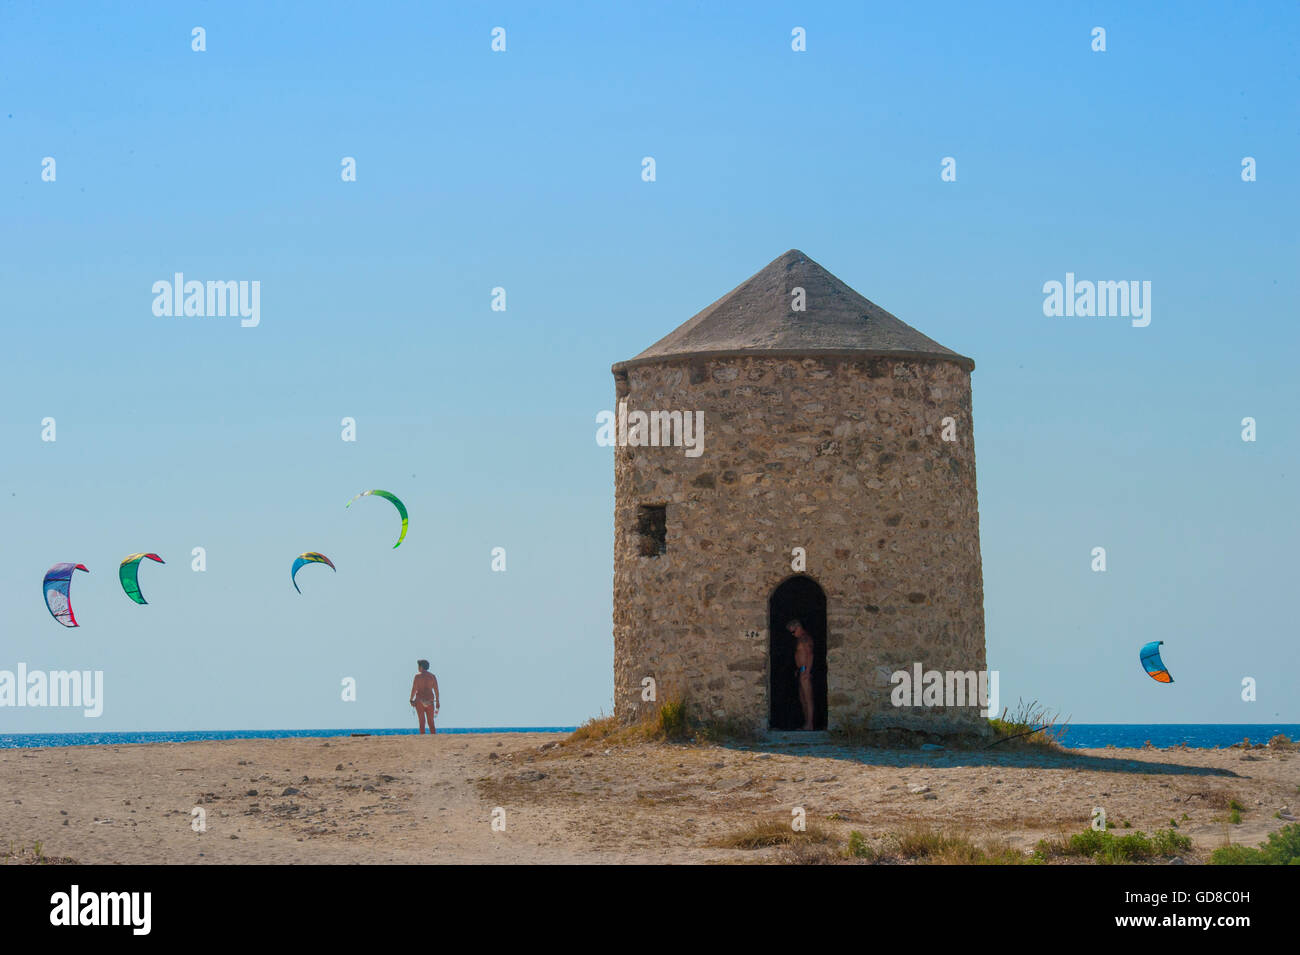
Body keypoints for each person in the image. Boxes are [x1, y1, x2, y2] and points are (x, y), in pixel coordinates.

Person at [787, 619, 814, 730]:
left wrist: (807, 671)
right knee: (802, 698)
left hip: (804, 671)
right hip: (801, 670)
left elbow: (810, 655)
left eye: (793, 632)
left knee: (808, 699)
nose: (793, 635)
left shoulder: (805, 639)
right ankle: (806, 723)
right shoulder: (800, 639)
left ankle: (810, 724)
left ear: (799, 627)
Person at [409, 660, 440, 734]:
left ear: (421, 667)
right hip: (430, 701)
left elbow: (414, 689)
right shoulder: (432, 676)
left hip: (419, 700)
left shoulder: (417, 676)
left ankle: (423, 738)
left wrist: (411, 699)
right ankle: (433, 738)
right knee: (431, 722)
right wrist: (437, 701)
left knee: (422, 721)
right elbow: (436, 690)